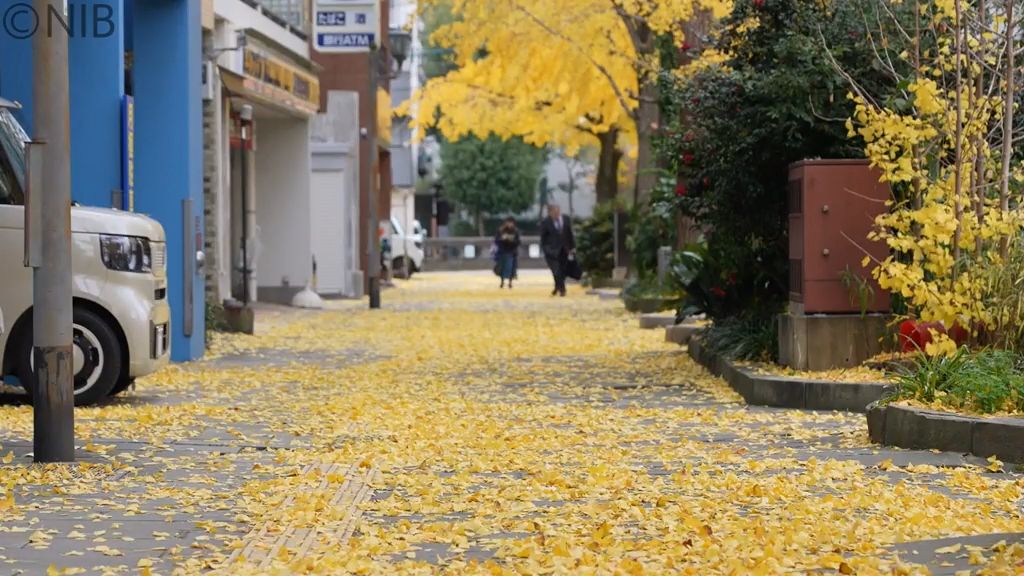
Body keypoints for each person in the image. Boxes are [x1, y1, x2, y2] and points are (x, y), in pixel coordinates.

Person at [540, 204, 575, 297]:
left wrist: (572, 247)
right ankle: (562, 289)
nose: (556, 214)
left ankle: (557, 287)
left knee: (562, 270)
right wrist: (546, 249)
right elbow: (543, 238)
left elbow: (569, 234)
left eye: (558, 212)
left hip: (564, 250)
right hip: (551, 251)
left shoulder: (566, 219)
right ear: (550, 213)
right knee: (556, 270)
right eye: (554, 212)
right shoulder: (545, 222)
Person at [494, 217, 521, 289]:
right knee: (502, 267)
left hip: (512, 251)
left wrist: (511, 240)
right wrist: (502, 239)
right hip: (503, 251)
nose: (509, 224)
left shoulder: (515, 231)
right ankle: (502, 281)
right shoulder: (501, 230)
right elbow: (496, 240)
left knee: (511, 267)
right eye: (508, 222)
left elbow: (518, 242)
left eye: (511, 223)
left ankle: (510, 282)